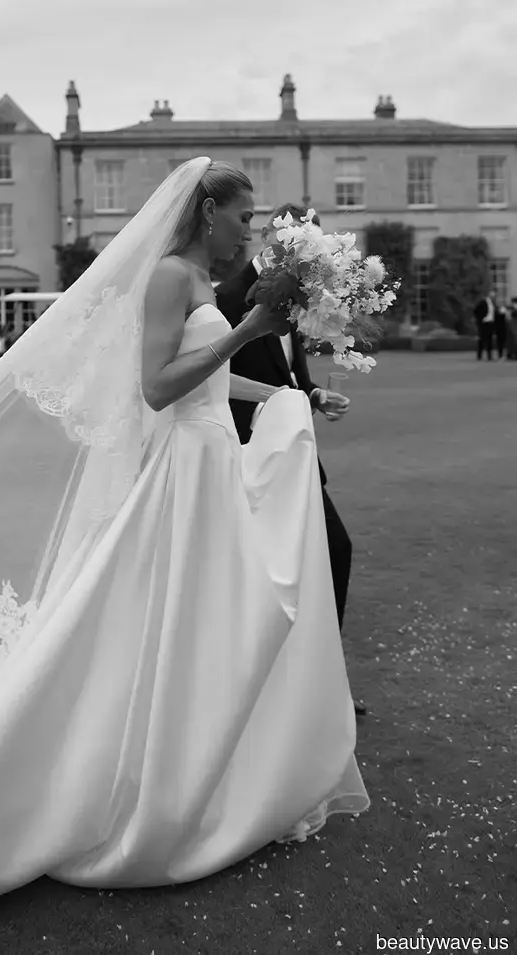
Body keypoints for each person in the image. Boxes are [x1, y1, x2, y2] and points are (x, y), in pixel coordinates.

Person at [0, 159, 368, 929]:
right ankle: (136, 777)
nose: (253, 227)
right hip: (184, 467)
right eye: (244, 215)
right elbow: (156, 388)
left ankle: (203, 759)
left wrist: (289, 391)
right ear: (208, 211)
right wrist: (248, 332)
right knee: (161, 617)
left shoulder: (205, 283)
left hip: (215, 459)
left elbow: (209, 381)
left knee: (210, 618)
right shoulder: (173, 276)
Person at [216, 202, 366, 718]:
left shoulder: (295, 299)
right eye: (307, 249)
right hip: (249, 458)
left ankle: (316, 681)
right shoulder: (227, 299)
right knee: (265, 576)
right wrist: (284, 400)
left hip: (295, 456)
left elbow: (288, 374)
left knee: (332, 552)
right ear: (274, 241)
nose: (313, 262)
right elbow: (211, 383)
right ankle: (267, 689)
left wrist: (313, 395)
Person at [473, 290, 496, 361]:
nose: (493, 296)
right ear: (489, 295)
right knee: (482, 339)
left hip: (490, 323)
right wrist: (481, 319)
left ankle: (489, 356)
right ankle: (479, 355)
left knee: (489, 339)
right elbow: (475, 310)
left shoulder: (493, 304)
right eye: (492, 295)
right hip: (484, 323)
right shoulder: (483, 302)